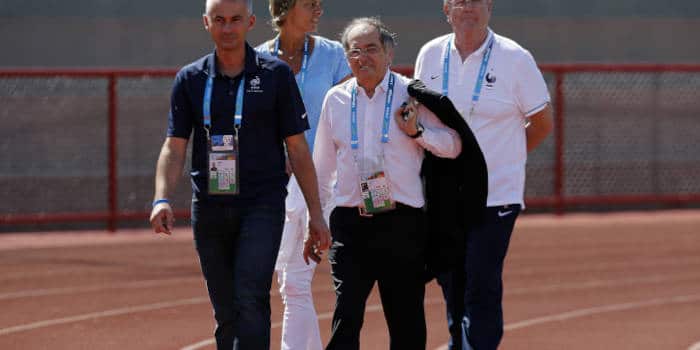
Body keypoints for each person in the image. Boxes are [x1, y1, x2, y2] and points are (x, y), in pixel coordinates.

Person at [148, 0, 330, 349]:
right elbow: (174, 147)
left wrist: (316, 214)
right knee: (226, 309)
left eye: (235, 20)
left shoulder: (275, 75)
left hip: (262, 203)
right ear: (206, 23)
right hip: (210, 206)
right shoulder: (190, 78)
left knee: (250, 295)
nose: (227, 28)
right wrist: (161, 198)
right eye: (219, 20)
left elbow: (298, 149)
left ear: (250, 22)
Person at [308, 17, 462, 350]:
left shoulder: (413, 93)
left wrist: (418, 132)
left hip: (402, 224)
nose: (363, 58)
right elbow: (321, 168)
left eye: (372, 49)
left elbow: (453, 144)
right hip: (350, 223)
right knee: (346, 316)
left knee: (405, 320)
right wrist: (316, 219)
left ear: (388, 54)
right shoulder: (334, 100)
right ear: (347, 59)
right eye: (355, 51)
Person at [414, 0, 554, 349]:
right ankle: (458, 341)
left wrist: (500, 160)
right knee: (449, 275)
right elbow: (423, 119)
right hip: (444, 194)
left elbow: (542, 123)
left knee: (480, 279)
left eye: (477, 0)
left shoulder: (515, 58)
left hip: (495, 195)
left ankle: (477, 344)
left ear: (490, 6)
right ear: (447, 8)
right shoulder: (430, 54)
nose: (469, 8)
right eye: (460, 1)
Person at [255, 1, 351, 349]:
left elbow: (349, 110)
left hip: (320, 179)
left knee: (294, 281)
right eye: (310, 3)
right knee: (290, 282)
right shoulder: (258, 58)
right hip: (272, 183)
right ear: (285, 6)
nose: (319, 10)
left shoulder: (333, 54)